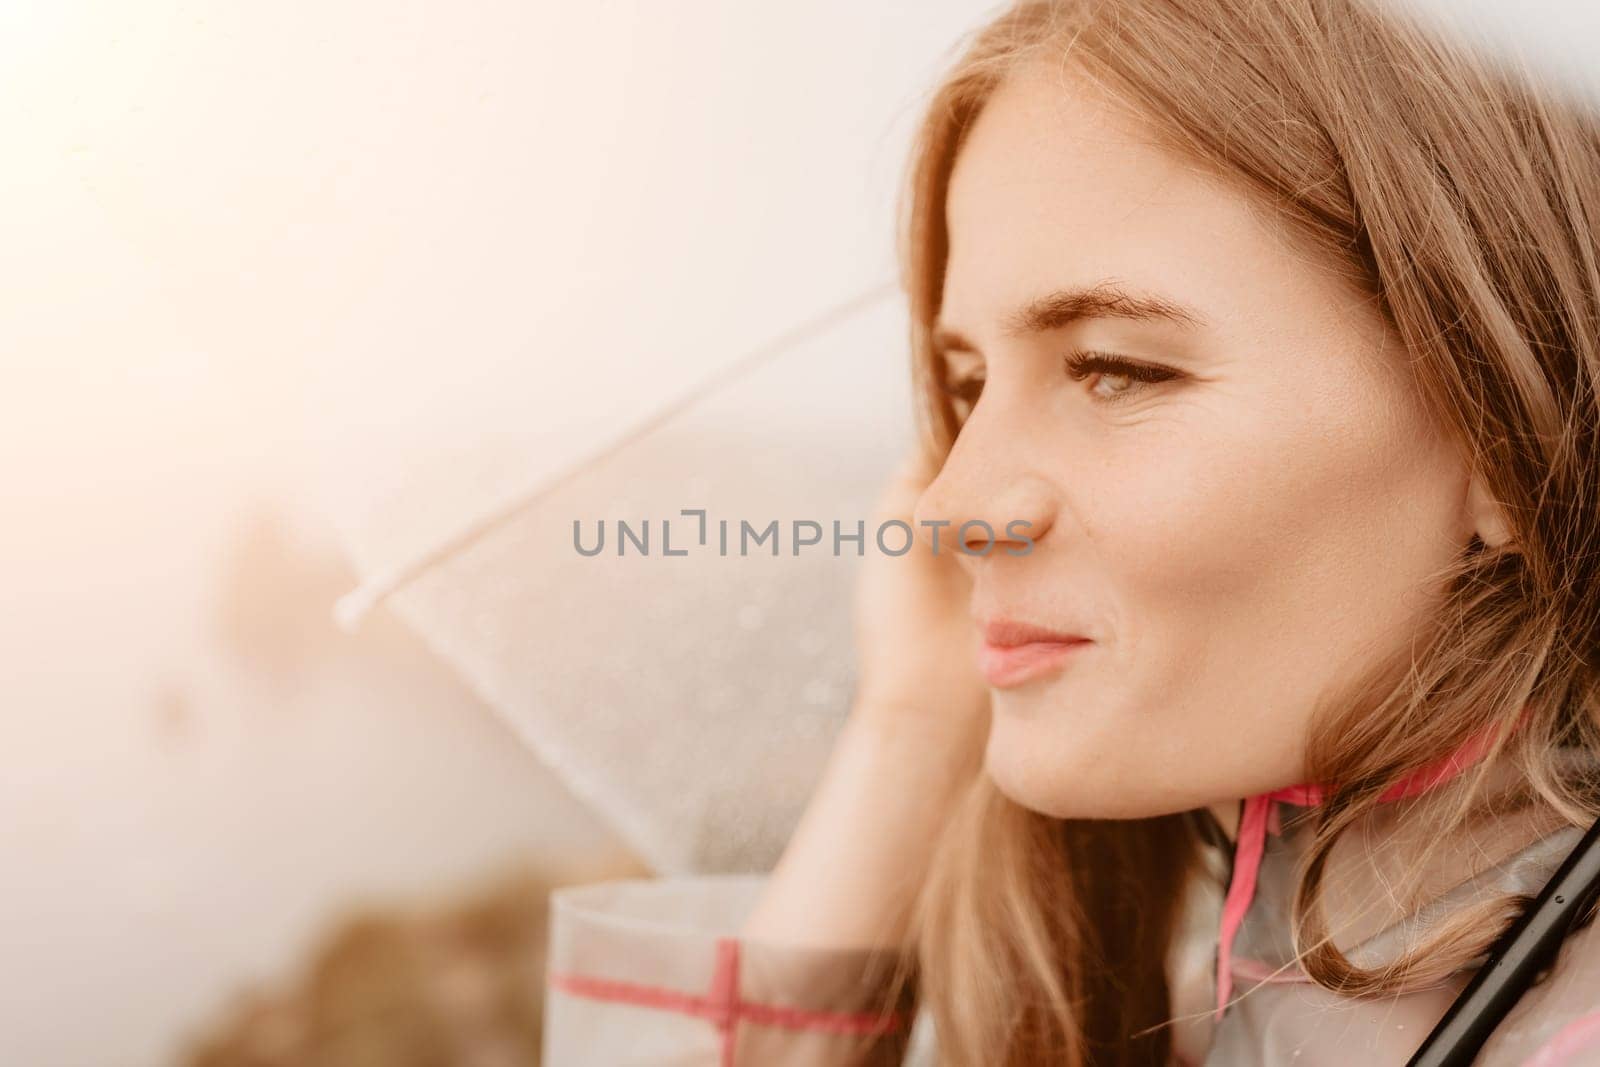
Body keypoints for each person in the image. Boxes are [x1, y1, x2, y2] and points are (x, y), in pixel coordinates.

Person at [540, 0, 1600, 1063]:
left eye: (1113, 369)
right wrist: (911, 722)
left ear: (1503, 430)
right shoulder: (1234, 999)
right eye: (966, 384)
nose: (949, 509)